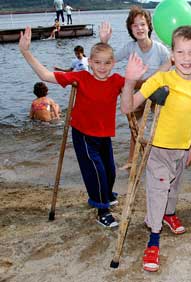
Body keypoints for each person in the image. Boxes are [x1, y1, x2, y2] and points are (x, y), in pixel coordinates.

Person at [19, 26, 148, 228]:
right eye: (97, 62)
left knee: (110, 171)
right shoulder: (81, 78)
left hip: (104, 135)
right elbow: (45, 75)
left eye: (107, 63)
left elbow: (140, 84)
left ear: (114, 63)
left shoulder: (116, 80)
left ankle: (103, 195)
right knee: (96, 171)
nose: (102, 67)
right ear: (89, 62)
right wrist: (26, 51)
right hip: (84, 134)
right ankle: (102, 210)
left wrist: (165, 75)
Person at [121, 26, 191, 272]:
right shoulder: (161, 78)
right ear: (172, 54)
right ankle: (154, 240)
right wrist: (129, 81)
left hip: (182, 149)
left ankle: (169, 214)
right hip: (158, 149)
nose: (187, 58)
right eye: (181, 52)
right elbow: (128, 108)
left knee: (174, 187)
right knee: (159, 191)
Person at [100, 5, 170, 170]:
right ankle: (132, 160)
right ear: (130, 29)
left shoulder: (160, 49)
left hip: (156, 94)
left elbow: (170, 72)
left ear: (149, 26)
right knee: (134, 127)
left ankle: (162, 160)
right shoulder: (130, 47)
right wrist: (104, 42)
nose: (139, 28)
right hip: (137, 94)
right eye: (135, 25)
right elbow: (109, 60)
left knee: (162, 127)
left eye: (142, 24)